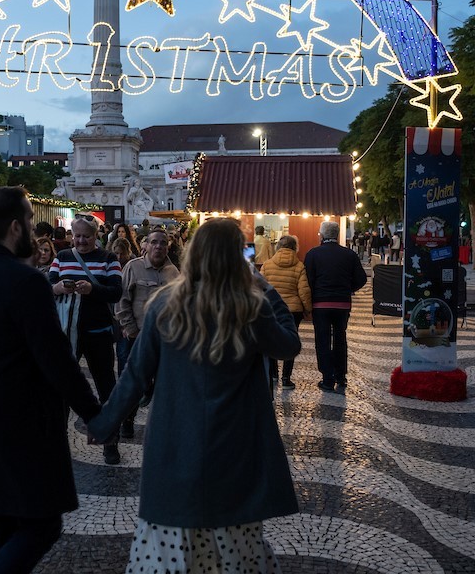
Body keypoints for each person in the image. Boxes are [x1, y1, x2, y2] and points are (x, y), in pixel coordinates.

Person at [88, 219, 300, 573]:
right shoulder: (250, 307)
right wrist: (267, 290)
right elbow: (288, 345)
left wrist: (105, 422)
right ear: (237, 259)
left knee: (171, 546)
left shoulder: (164, 305)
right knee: (236, 546)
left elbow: (136, 375)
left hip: (175, 442)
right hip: (235, 444)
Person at [0, 187, 101, 574]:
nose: (34, 231)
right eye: (31, 222)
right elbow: (56, 359)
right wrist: (94, 414)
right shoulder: (26, 281)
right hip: (19, 425)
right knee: (42, 523)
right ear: (17, 227)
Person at [49, 214, 123, 465]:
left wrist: (93, 290)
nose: (81, 241)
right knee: (63, 388)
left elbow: (116, 292)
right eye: (77, 236)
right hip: (68, 333)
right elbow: (48, 286)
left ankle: (109, 443)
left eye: (86, 236)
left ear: (96, 236)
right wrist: (58, 288)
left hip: (98, 333)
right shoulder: (62, 258)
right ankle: (57, 443)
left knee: (106, 388)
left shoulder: (109, 259)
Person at [113, 227, 179, 437]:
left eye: (163, 242)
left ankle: (162, 427)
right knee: (132, 383)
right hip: (136, 337)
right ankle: (127, 421)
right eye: (154, 242)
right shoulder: (133, 267)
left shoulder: (174, 273)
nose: (158, 246)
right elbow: (122, 301)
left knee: (163, 385)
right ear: (145, 245)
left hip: (163, 340)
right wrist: (130, 329)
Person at [304, 221, 367, 392]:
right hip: (342, 304)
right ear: (337, 235)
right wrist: (348, 289)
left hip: (321, 304)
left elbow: (308, 280)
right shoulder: (349, 255)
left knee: (322, 340)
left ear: (322, 236)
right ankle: (341, 376)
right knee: (340, 339)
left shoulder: (313, 254)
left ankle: (327, 379)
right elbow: (362, 279)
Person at [260, 235, 312, 389]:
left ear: (278, 247)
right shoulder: (299, 266)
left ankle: (273, 374)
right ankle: (286, 378)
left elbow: (261, 288)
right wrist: (308, 309)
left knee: (270, 338)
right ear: (294, 248)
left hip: (271, 307)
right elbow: (304, 290)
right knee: (291, 338)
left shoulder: (267, 265)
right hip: (293, 310)